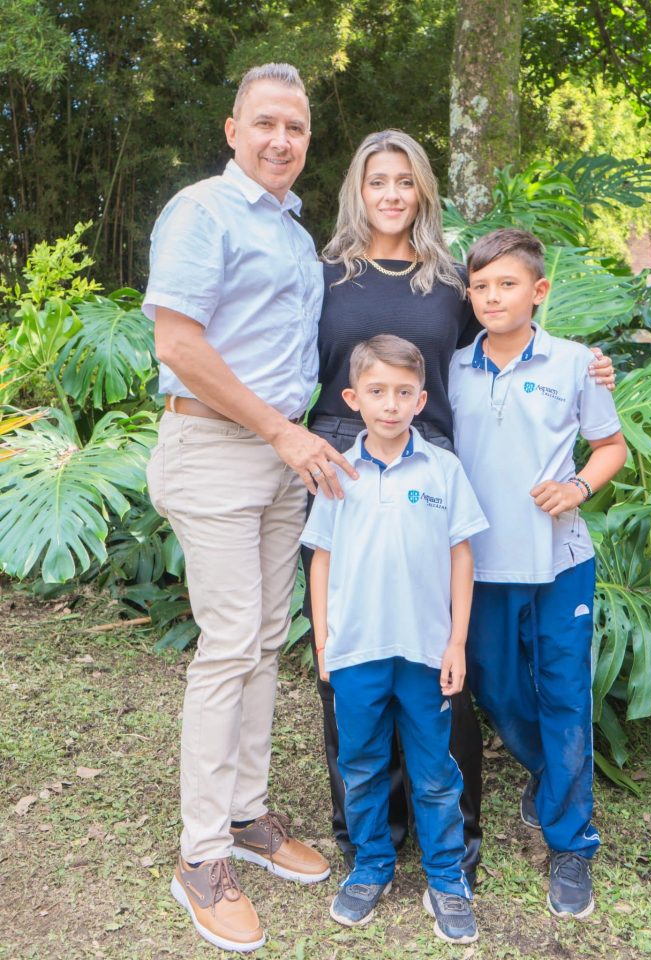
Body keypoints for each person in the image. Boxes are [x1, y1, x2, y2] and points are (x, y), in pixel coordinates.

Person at [304, 129, 617, 885]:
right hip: (341, 467)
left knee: (444, 658)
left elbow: (514, 333)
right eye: (377, 180)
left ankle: (460, 834)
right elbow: (289, 360)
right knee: (355, 647)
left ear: (423, 190)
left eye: (404, 180)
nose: (391, 194)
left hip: (435, 471)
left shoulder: (448, 281)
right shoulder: (324, 274)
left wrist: (593, 366)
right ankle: (369, 835)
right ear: (356, 190)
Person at [143, 63, 356, 954]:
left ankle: (244, 815)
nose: (281, 140)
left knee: (266, 639)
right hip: (218, 450)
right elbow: (178, 344)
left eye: (295, 128)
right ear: (233, 130)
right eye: (265, 123)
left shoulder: (295, 234)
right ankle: (200, 857)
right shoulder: (203, 211)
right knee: (231, 643)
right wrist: (279, 430)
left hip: (278, 458)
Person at [449, 228, 628, 920]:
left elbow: (609, 446)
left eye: (508, 284)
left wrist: (578, 486)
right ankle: (553, 774)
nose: (493, 297)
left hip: (560, 562)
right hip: (481, 564)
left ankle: (572, 842)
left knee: (564, 694)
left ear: (538, 290)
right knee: (494, 687)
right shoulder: (451, 367)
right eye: (481, 286)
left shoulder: (577, 363)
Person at [301, 334, 489, 945]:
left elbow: (462, 557)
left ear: (421, 400)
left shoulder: (443, 469)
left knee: (434, 770)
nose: (390, 404)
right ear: (353, 398)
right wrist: (324, 641)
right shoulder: (338, 471)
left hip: (426, 651)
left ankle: (446, 878)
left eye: (404, 392)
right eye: (377, 391)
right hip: (356, 650)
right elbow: (322, 559)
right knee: (360, 765)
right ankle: (371, 865)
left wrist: (456, 642)